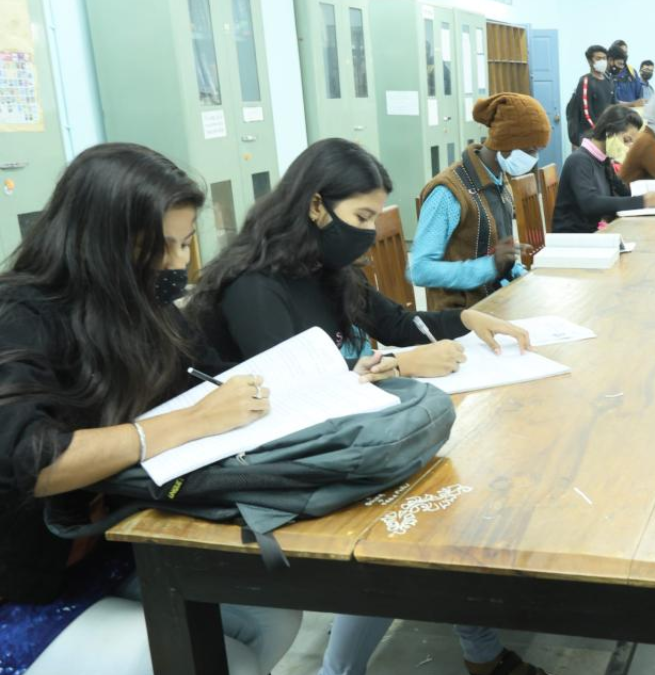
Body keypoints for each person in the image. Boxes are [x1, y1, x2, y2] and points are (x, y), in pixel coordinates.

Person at [185, 138, 547, 675]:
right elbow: (296, 399)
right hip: (264, 468)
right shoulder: (254, 286)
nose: (369, 230)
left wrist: (470, 323)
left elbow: (398, 324)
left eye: (374, 216)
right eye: (361, 215)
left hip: (320, 439)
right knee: (406, 529)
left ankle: (482, 650)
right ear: (314, 205)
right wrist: (399, 367)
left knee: (435, 494)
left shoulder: (323, 267)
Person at [0, 143, 301, 675]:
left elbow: (209, 380)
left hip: (118, 549)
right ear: (103, 243)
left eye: (186, 244)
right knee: (214, 659)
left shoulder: (144, 311)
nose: (179, 265)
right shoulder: (19, 317)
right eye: (164, 248)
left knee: (274, 618)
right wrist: (187, 423)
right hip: (26, 590)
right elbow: (34, 461)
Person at [409, 94, 550, 310]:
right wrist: (490, 266)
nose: (534, 159)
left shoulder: (500, 182)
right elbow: (420, 270)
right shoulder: (447, 192)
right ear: (506, 145)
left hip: (497, 299)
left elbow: (502, 254)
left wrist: (523, 276)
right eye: (531, 150)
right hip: (461, 314)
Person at [552, 105, 655, 234]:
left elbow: (623, 192)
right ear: (609, 131)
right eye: (626, 140)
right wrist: (642, 201)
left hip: (594, 233)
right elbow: (590, 203)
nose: (628, 147)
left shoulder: (603, 160)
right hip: (573, 239)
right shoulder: (579, 160)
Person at [565, 44, 616, 149]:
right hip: (588, 136)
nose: (602, 61)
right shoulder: (585, 81)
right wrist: (599, 131)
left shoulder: (609, 81)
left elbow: (614, 106)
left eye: (604, 58)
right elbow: (586, 114)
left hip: (605, 136)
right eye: (598, 58)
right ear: (590, 61)